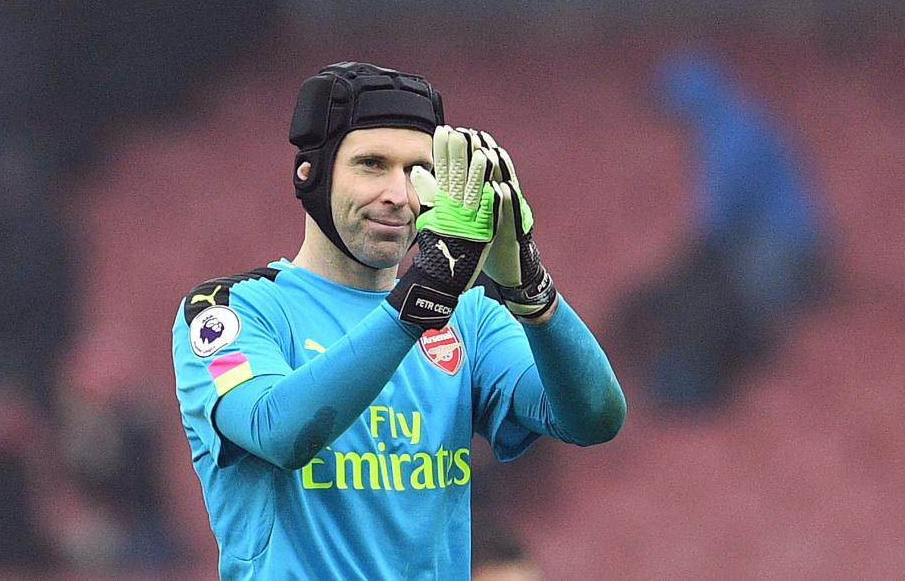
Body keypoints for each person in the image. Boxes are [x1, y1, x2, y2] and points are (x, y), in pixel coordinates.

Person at [171, 62, 626, 579]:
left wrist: (531, 291)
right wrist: (421, 299)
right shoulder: (226, 309)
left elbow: (595, 419)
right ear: (310, 173)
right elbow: (280, 433)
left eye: (419, 170)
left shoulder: (470, 318)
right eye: (371, 164)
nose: (399, 193)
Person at [615, 50, 827, 411]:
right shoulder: (731, 125)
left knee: (718, 293)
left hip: (784, 244)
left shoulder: (733, 134)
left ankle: (700, 372)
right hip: (759, 239)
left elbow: (718, 219)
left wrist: (684, 267)